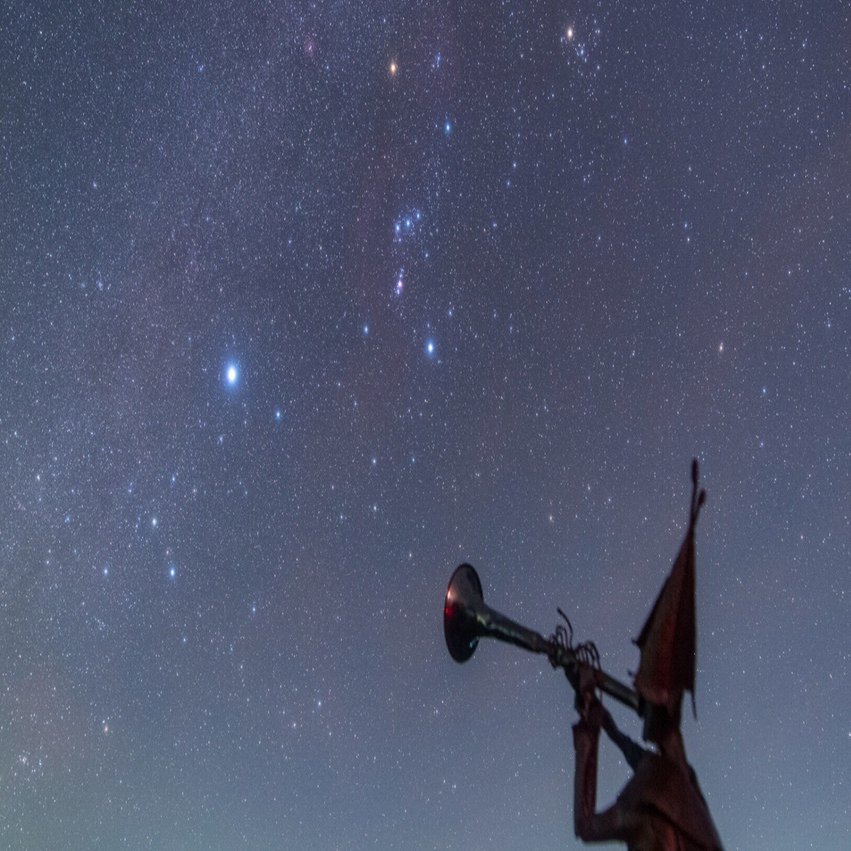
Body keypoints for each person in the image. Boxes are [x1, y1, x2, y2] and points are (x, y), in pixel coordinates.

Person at [567, 462, 723, 850]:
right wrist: (612, 729)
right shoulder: (691, 798)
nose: (634, 685)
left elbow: (586, 825)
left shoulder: (648, 814)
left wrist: (589, 722)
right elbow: (653, 764)